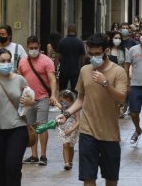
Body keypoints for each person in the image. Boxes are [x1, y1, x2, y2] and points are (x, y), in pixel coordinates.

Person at [56, 33, 128, 185]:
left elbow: (121, 98)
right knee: (88, 177)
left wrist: (106, 84)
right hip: (87, 132)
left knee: (111, 178)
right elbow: (81, 98)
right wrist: (67, 114)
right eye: (90, 54)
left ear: (106, 51)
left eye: (97, 54)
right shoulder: (85, 70)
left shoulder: (118, 72)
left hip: (110, 134)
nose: (93, 57)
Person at [0, 48, 34, 186]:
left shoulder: (20, 80)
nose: (6, 63)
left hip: (17, 128)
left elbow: (30, 100)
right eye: (2, 61)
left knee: (12, 166)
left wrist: (30, 102)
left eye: (8, 60)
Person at [20, 36, 57, 166]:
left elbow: (52, 79)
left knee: (41, 126)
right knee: (31, 127)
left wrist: (53, 95)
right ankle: (34, 155)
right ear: (27, 47)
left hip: (43, 98)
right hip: (28, 100)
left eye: (36, 48)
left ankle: (43, 156)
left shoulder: (46, 61)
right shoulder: (23, 62)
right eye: (31, 48)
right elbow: (20, 79)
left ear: (39, 47)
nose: (33, 50)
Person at [53, 89, 79, 170]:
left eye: (62, 101)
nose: (61, 103)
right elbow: (62, 108)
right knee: (65, 145)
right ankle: (66, 163)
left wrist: (71, 130)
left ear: (68, 100)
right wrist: (57, 104)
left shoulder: (75, 109)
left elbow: (78, 121)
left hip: (72, 129)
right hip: (63, 129)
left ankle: (70, 161)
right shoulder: (65, 106)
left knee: (71, 146)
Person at [56, 25, 86, 92]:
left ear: (67, 31)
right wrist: (83, 67)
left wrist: (55, 69)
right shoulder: (79, 42)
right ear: (76, 31)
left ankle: (63, 102)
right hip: (75, 71)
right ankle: (74, 102)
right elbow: (84, 57)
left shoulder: (62, 41)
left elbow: (57, 56)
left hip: (64, 70)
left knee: (62, 90)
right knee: (75, 91)